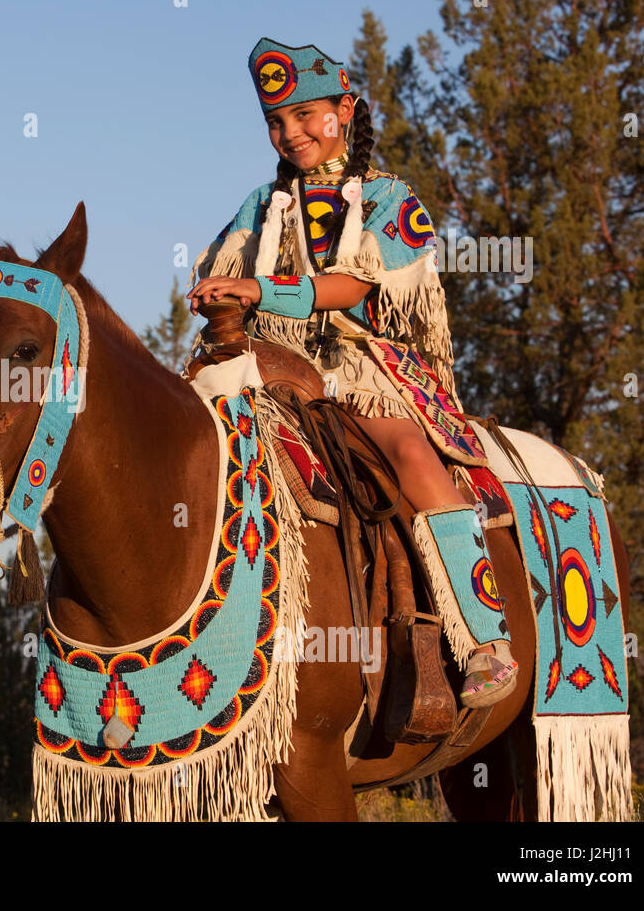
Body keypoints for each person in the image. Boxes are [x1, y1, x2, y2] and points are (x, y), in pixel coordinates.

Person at [186, 38, 516, 708]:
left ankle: (485, 639)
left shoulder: (391, 196)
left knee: (408, 454)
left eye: (306, 115)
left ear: (346, 108)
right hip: (273, 364)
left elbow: (353, 290)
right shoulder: (261, 203)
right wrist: (211, 287)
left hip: (364, 364)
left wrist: (257, 291)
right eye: (276, 122)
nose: (291, 133)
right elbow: (216, 266)